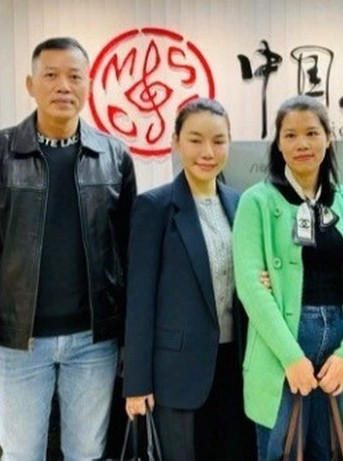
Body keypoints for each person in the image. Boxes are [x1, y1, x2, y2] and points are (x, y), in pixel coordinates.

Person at [0, 37, 136, 460]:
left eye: (74, 76)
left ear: (89, 87)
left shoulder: (115, 157)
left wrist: (129, 340)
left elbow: (127, 257)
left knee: (87, 454)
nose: (63, 86)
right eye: (51, 75)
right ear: (30, 84)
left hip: (94, 342)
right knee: (21, 454)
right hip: (16, 343)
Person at [233, 95, 343, 460]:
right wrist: (291, 357)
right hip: (281, 346)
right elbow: (250, 284)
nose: (302, 144)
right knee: (281, 450)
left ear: (329, 137)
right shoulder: (257, 202)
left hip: (338, 346)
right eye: (290, 135)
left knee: (328, 450)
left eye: (312, 132)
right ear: (278, 143)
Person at [122, 98, 255, 460]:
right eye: (195, 140)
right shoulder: (155, 207)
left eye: (218, 140)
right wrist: (136, 383)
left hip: (235, 365)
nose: (207, 152)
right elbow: (140, 300)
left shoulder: (240, 203)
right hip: (176, 373)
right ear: (176, 141)